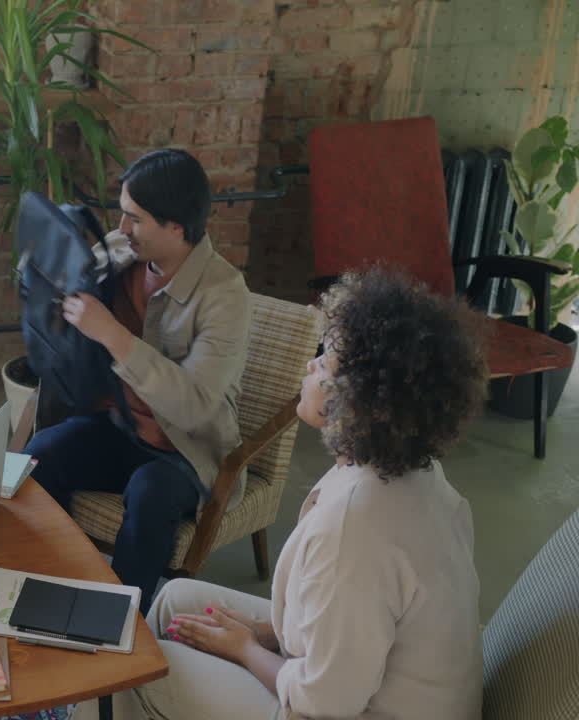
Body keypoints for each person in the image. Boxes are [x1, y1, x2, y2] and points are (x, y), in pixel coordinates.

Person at [134, 268, 486, 719]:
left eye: (326, 361)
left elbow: (327, 701)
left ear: (362, 400)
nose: (310, 365)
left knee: (141, 670)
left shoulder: (356, 528)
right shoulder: (416, 473)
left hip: (346, 710)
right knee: (175, 601)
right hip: (372, 681)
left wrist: (245, 649)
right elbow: (358, 629)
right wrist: (266, 634)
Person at [25, 149, 251, 613]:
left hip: (186, 447)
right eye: (122, 215)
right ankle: (49, 589)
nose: (123, 228)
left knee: (150, 495)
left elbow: (195, 406)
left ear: (176, 227)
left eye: (136, 218)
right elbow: (66, 279)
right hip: (121, 424)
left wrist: (111, 333)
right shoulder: (124, 251)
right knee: (38, 457)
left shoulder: (224, 296)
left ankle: (116, 622)